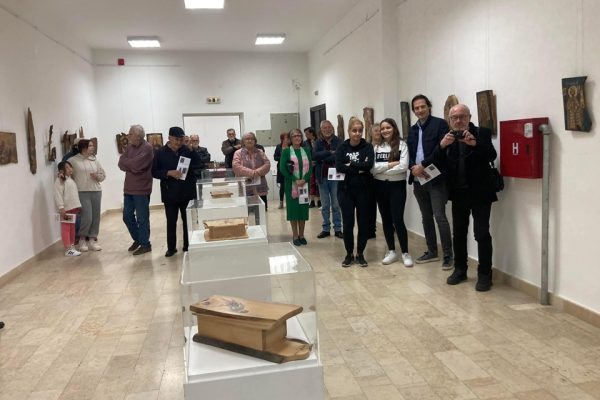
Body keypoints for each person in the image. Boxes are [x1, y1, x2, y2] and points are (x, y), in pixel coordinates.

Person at [434, 104, 498, 291]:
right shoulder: (448, 136)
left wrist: (474, 144)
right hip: (458, 193)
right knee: (459, 234)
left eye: (462, 116)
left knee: (481, 233)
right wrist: (442, 145)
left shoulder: (482, 133)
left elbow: (491, 155)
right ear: (449, 120)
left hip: (480, 193)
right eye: (454, 117)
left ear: (469, 117)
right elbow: (436, 160)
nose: (458, 120)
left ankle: (485, 274)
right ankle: (460, 269)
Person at [407, 94, 454, 270]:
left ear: (429, 107)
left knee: (439, 217)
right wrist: (413, 167)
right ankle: (432, 251)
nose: (420, 110)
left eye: (422, 106)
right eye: (416, 108)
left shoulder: (440, 125)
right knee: (426, 217)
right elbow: (409, 152)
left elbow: (441, 150)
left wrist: (424, 165)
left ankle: (448, 255)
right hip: (418, 179)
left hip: (436, 179)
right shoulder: (412, 130)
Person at [152, 126, 201, 257]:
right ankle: (171, 248)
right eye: (176, 139)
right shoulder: (160, 153)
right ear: (169, 138)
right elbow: (154, 172)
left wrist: (192, 150)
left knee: (187, 220)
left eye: (181, 140)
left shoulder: (186, 150)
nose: (179, 142)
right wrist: (169, 173)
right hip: (170, 193)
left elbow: (199, 164)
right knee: (171, 221)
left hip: (187, 192)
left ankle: (187, 245)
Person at [371, 118, 413, 267]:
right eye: (382, 128)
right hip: (380, 186)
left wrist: (382, 170)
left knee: (398, 219)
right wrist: (389, 165)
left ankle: (405, 253)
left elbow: (403, 166)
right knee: (386, 219)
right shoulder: (377, 147)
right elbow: (372, 169)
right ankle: (391, 251)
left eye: (388, 127)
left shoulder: (402, 145)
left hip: (397, 186)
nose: (385, 131)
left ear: (394, 128)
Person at [335, 118, 374, 268]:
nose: (357, 133)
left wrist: (351, 164)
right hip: (345, 191)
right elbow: (339, 166)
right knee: (348, 223)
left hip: (364, 190)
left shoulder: (367, 146)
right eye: (354, 130)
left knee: (363, 223)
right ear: (349, 131)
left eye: (360, 130)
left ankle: (360, 253)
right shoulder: (342, 147)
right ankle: (349, 254)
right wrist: (359, 168)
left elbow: (369, 165)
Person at [118, 124, 154, 255]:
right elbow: (120, 163)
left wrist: (129, 163)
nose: (128, 136)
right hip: (128, 188)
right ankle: (138, 239)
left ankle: (145, 244)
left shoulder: (147, 148)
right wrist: (131, 164)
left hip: (142, 189)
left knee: (142, 218)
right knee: (127, 216)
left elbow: (137, 165)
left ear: (138, 136)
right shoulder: (129, 147)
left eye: (130, 134)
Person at [69, 139, 105, 252]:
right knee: (87, 217)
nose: (92, 147)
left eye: (92, 145)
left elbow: (103, 175)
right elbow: (67, 175)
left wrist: (97, 176)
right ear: (83, 148)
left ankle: (93, 239)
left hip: (96, 191)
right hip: (82, 192)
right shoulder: (73, 161)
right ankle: (82, 239)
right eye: (90, 146)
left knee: (96, 216)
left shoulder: (95, 160)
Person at [280, 129, 312, 246]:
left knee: (303, 210)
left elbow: (310, 168)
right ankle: (295, 235)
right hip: (291, 185)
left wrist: (304, 179)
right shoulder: (286, 151)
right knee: (293, 211)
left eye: (299, 135)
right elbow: (283, 168)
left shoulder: (306, 150)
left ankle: (302, 235)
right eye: (294, 136)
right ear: (290, 139)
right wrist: (295, 179)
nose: (297, 138)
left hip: (304, 185)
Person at [313, 120, 343, 239]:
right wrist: (329, 152)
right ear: (321, 130)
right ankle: (326, 229)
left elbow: (339, 156)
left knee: (336, 204)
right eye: (324, 128)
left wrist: (323, 158)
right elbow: (314, 156)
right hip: (322, 177)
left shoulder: (339, 141)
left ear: (332, 128)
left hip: (336, 177)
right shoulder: (317, 142)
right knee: (325, 205)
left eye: (329, 127)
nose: (327, 129)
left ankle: (338, 229)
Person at [232, 132, 271, 209]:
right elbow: (236, 167)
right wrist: (252, 173)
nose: (250, 140)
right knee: (247, 212)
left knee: (261, 211)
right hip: (245, 188)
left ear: (255, 141)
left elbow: (267, 164)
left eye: (252, 139)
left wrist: (256, 172)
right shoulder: (238, 153)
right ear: (243, 141)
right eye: (247, 139)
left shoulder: (260, 152)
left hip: (260, 187)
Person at [54, 161, 81, 257]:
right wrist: (61, 207)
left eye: (70, 167)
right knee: (66, 228)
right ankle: (68, 249)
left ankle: (71, 246)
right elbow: (58, 195)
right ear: (61, 170)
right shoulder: (59, 181)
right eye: (67, 167)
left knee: (72, 228)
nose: (70, 169)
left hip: (73, 208)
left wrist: (77, 205)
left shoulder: (70, 179)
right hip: (66, 209)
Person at [366, 122, 381, 239]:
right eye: (376, 131)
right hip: (369, 179)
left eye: (380, 130)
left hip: (382, 178)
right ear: (371, 133)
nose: (378, 133)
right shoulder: (367, 147)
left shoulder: (385, 146)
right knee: (370, 206)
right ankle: (371, 230)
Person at [303, 127, 320, 208]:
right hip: (310, 166)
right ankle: (312, 201)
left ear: (311, 133)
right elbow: (304, 154)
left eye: (307, 133)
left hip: (318, 165)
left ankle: (319, 201)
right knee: (311, 183)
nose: (306, 135)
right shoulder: (305, 143)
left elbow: (320, 153)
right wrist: (309, 162)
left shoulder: (319, 141)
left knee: (318, 183)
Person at [273, 132, 290, 209]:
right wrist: (283, 158)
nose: (287, 139)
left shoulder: (291, 146)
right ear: (282, 139)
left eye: (288, 138)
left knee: (289, 186)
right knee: (282, 186)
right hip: (281, 168)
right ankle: (281, 203)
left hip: (289, 168)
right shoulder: (279, 146)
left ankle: (289, 202)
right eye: (286, 138)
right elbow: (275, 157)